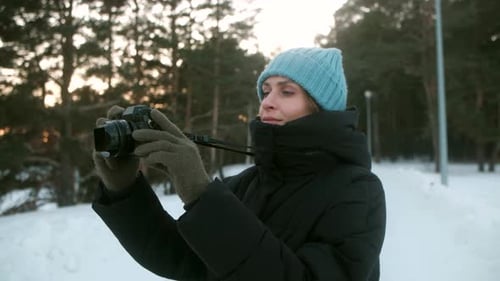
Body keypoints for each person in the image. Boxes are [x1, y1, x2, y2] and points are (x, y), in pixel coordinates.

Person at [92, 47, 386, 281]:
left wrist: (201, 196)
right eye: (266, 90)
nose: (267, 101)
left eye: (286, 91)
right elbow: (184, 260)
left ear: (321, 108)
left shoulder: (357, 190)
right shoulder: (248, 183)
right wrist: (124, 191)